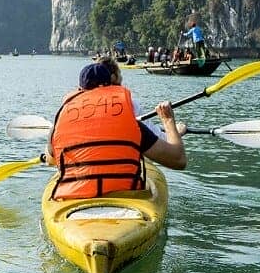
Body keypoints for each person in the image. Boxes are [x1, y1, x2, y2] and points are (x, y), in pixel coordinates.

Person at [44, 63, 187, 200]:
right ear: (110, 87)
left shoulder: (59, 123)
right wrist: (168, 120)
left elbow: (50, 160)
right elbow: (178, 160)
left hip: (73, 199)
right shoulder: (132, 126)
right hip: (125, 197)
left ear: (80, 90)